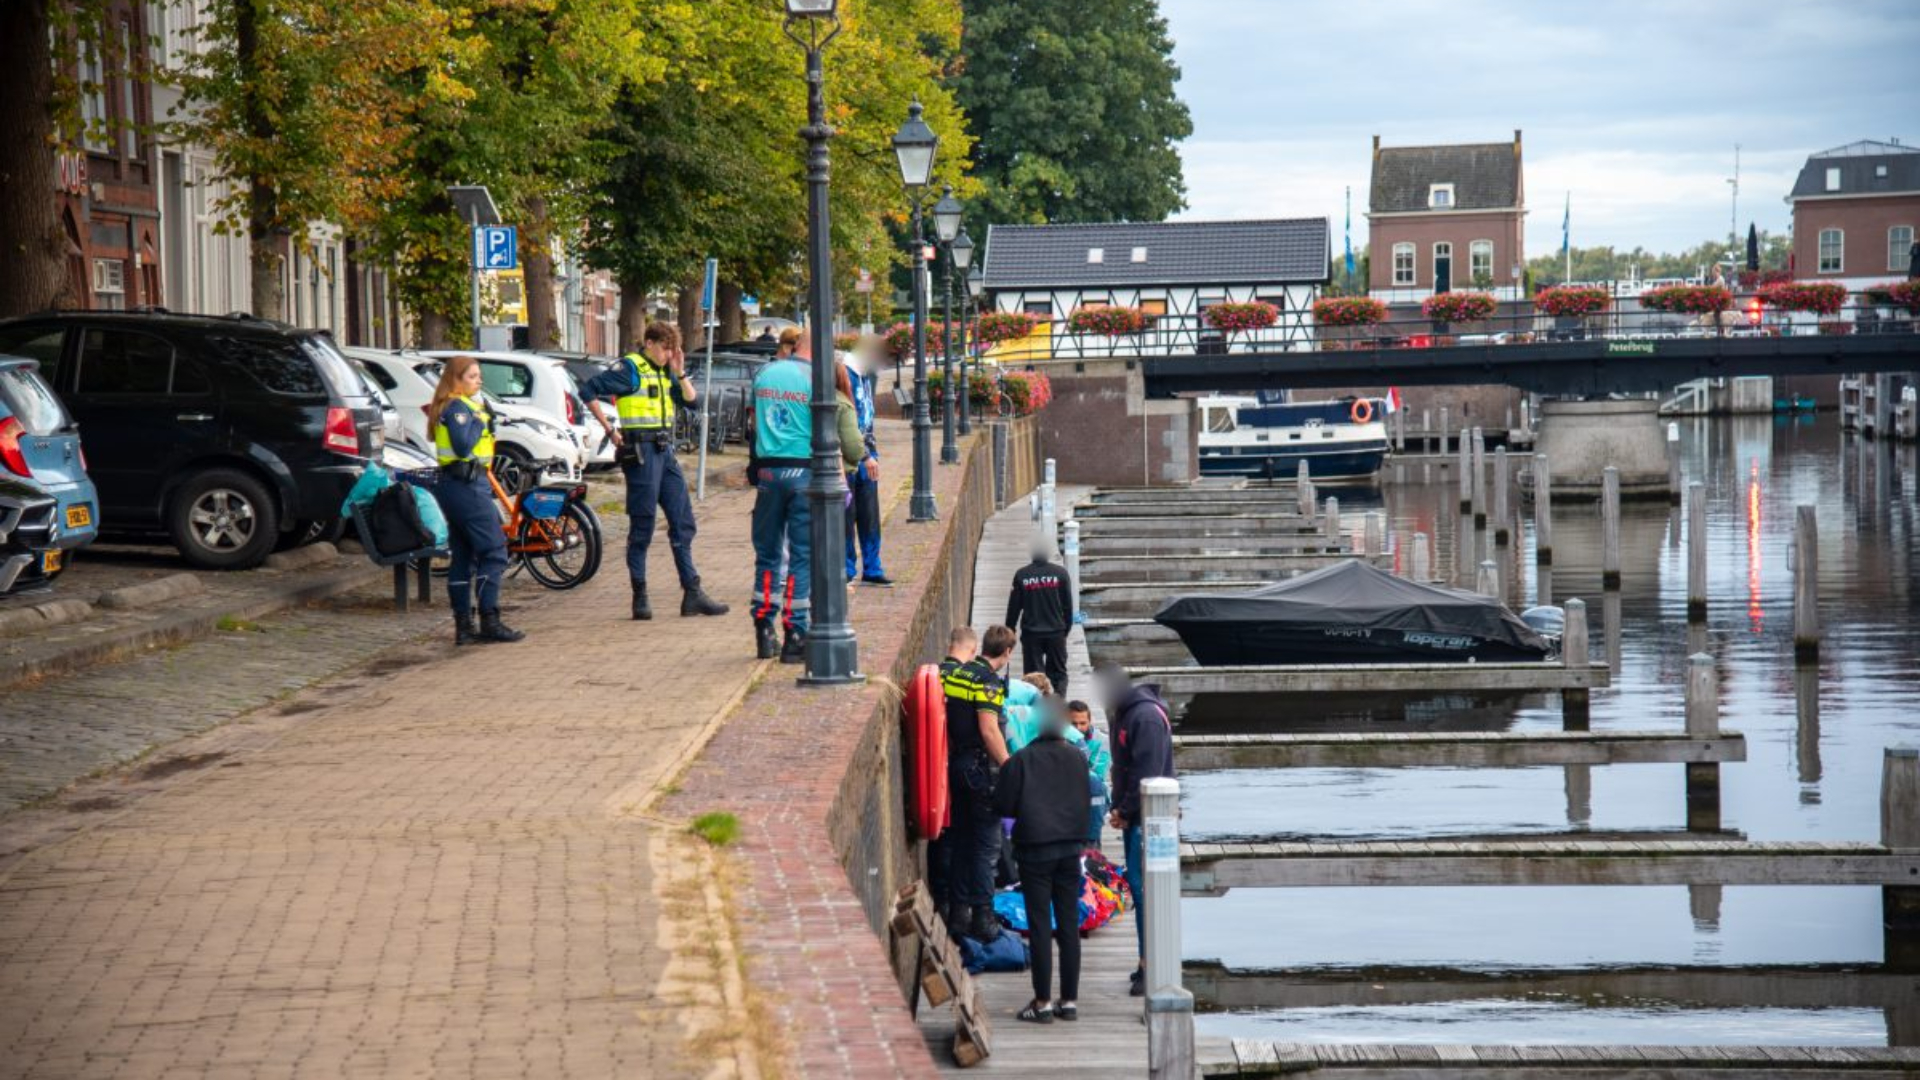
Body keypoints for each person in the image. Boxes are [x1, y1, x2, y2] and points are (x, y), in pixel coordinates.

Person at [577, 323, 729, 622]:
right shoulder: (630, 369)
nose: (667, 353)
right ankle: (640, 595)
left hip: (664, 451)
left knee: (682, 521)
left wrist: (680, 370)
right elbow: (588, 390)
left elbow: (692, 402)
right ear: (648, 343)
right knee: (643, 527)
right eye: (664, 347)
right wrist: (610, 429)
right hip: (641, 453)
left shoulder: (664, 372)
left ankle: (692, 593)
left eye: (672, 348)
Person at [993, 696, 1091, 1024]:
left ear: (1037, 725)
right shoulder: (1078, 758)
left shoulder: (1021, 761)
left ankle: (1043, 1002)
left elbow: (1004, 806)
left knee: (1038, 925)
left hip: (1035, 851)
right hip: (1069, 851)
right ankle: (1070, 1000)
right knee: (1068, 926)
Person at [426, 356, 524, 645]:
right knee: (494, 551)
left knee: (464, 556)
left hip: (463, 484)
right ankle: (489, 620)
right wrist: (480, 421)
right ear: (456, 380)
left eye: (479, 376)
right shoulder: (458, 408)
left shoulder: (461, 406)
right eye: (472, 376)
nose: (479, 381)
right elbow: (462, 445)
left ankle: (464, 628)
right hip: (466, 486)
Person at [1097, 663, 1174, 997]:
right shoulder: (1123, 714)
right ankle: (1146, 960)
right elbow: (1122, 766)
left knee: (1147, 894)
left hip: (1152, 820)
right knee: (1140, 890)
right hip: (1135, 815)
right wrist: (1120, 808)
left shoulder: (1145, 718)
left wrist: (1126, 810)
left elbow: (1148, 770)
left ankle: (1152, 965)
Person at [936, 624, 1014, 943]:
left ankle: (957, 915)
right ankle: (983, 918)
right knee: (985, 847)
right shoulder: (988, 681)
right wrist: (1009, 766)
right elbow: (989, 730)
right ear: (1008, 653)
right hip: (980, 770)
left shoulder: (958, 673)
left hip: (955, 766)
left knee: (962, 843)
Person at [747, 332, 818, 662]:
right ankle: (795, 633)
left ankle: (763, 626)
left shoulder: (764, 374)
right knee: (801, 556)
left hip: (767, 473)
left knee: (768, 552)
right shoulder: (813, 378)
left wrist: (755, 465)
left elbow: (753, 426)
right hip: (802, 471)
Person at [843, 341, 890, 586]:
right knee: (847, 514)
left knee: (870, 514)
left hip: (868, 454)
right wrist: (865, 455)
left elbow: (867, 420)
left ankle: (872, 567)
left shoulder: (864, 377)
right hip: (852, 457)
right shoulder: (847, 376)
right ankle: (848, 567)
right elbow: (850, 423)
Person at [1006, 539, 1074, 695]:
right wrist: (1065, 629)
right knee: (1058, 673)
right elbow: (1068, 606)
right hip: (1056, 631)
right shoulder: (1061, 574)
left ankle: (1036, 705)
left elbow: (1014, 608)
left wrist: (1010, 631)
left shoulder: (1022, 575)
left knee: (1033, 675)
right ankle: (1058, 703)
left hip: (1031, 633)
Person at [1067, 700, 1111, 851]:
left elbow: (1096, 774)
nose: (1078, 728)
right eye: (1073, 724)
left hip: (1093, 799)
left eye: (1082, 723)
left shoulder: (1102, 741)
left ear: (1089, 721)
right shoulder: (1060, 737)